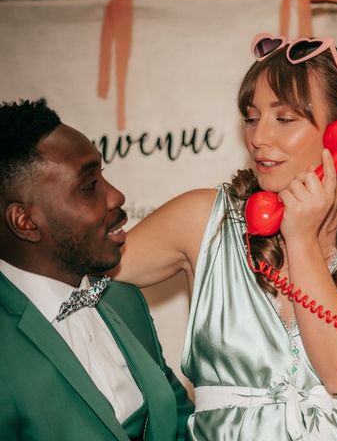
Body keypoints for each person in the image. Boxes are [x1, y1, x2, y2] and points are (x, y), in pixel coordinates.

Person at [111, 33, 337, 440]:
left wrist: (300, 237)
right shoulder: (203, 218)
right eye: (251, 116)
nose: (259, 138)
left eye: (285, 118)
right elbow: (72, 272)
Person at [0, 99, 194, 441]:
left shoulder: (124, 299)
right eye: (89, 186)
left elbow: (178, 420)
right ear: (26, 221)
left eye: (103, 176)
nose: (116, 196)